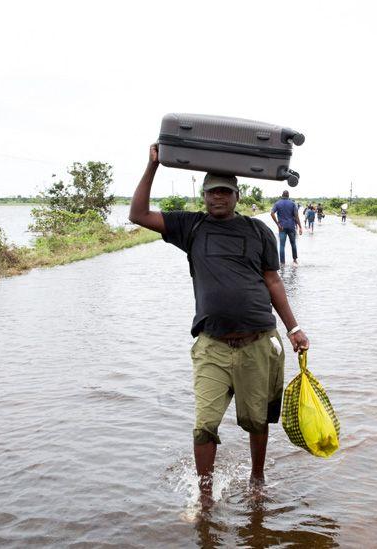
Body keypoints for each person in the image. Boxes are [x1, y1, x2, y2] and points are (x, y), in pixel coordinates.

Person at [129, 145, 310, 509]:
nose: (218, 198)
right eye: (212, 192)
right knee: (204, 423)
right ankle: (205, 496)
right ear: (204, 195)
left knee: (257, 421)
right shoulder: (190, 225)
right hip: (211, 345)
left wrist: (294, 329)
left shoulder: (257, 230)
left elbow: (273, 280)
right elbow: (138, 214)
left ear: (236, 196)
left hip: (257, 341)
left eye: (225, 192)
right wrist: (151, 167)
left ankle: (257, 478)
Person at [270, 190, 302, 265]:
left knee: (282, 245)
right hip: (291, 226)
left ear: (282, 195)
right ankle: (295, 260)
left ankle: (282, 263)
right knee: (293, 243)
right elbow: (296, 216)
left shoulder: (277, 203)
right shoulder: (293, 203)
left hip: (282, 227)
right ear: (288, 195)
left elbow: (272, 213)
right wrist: (300, 227)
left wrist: (277, 224)